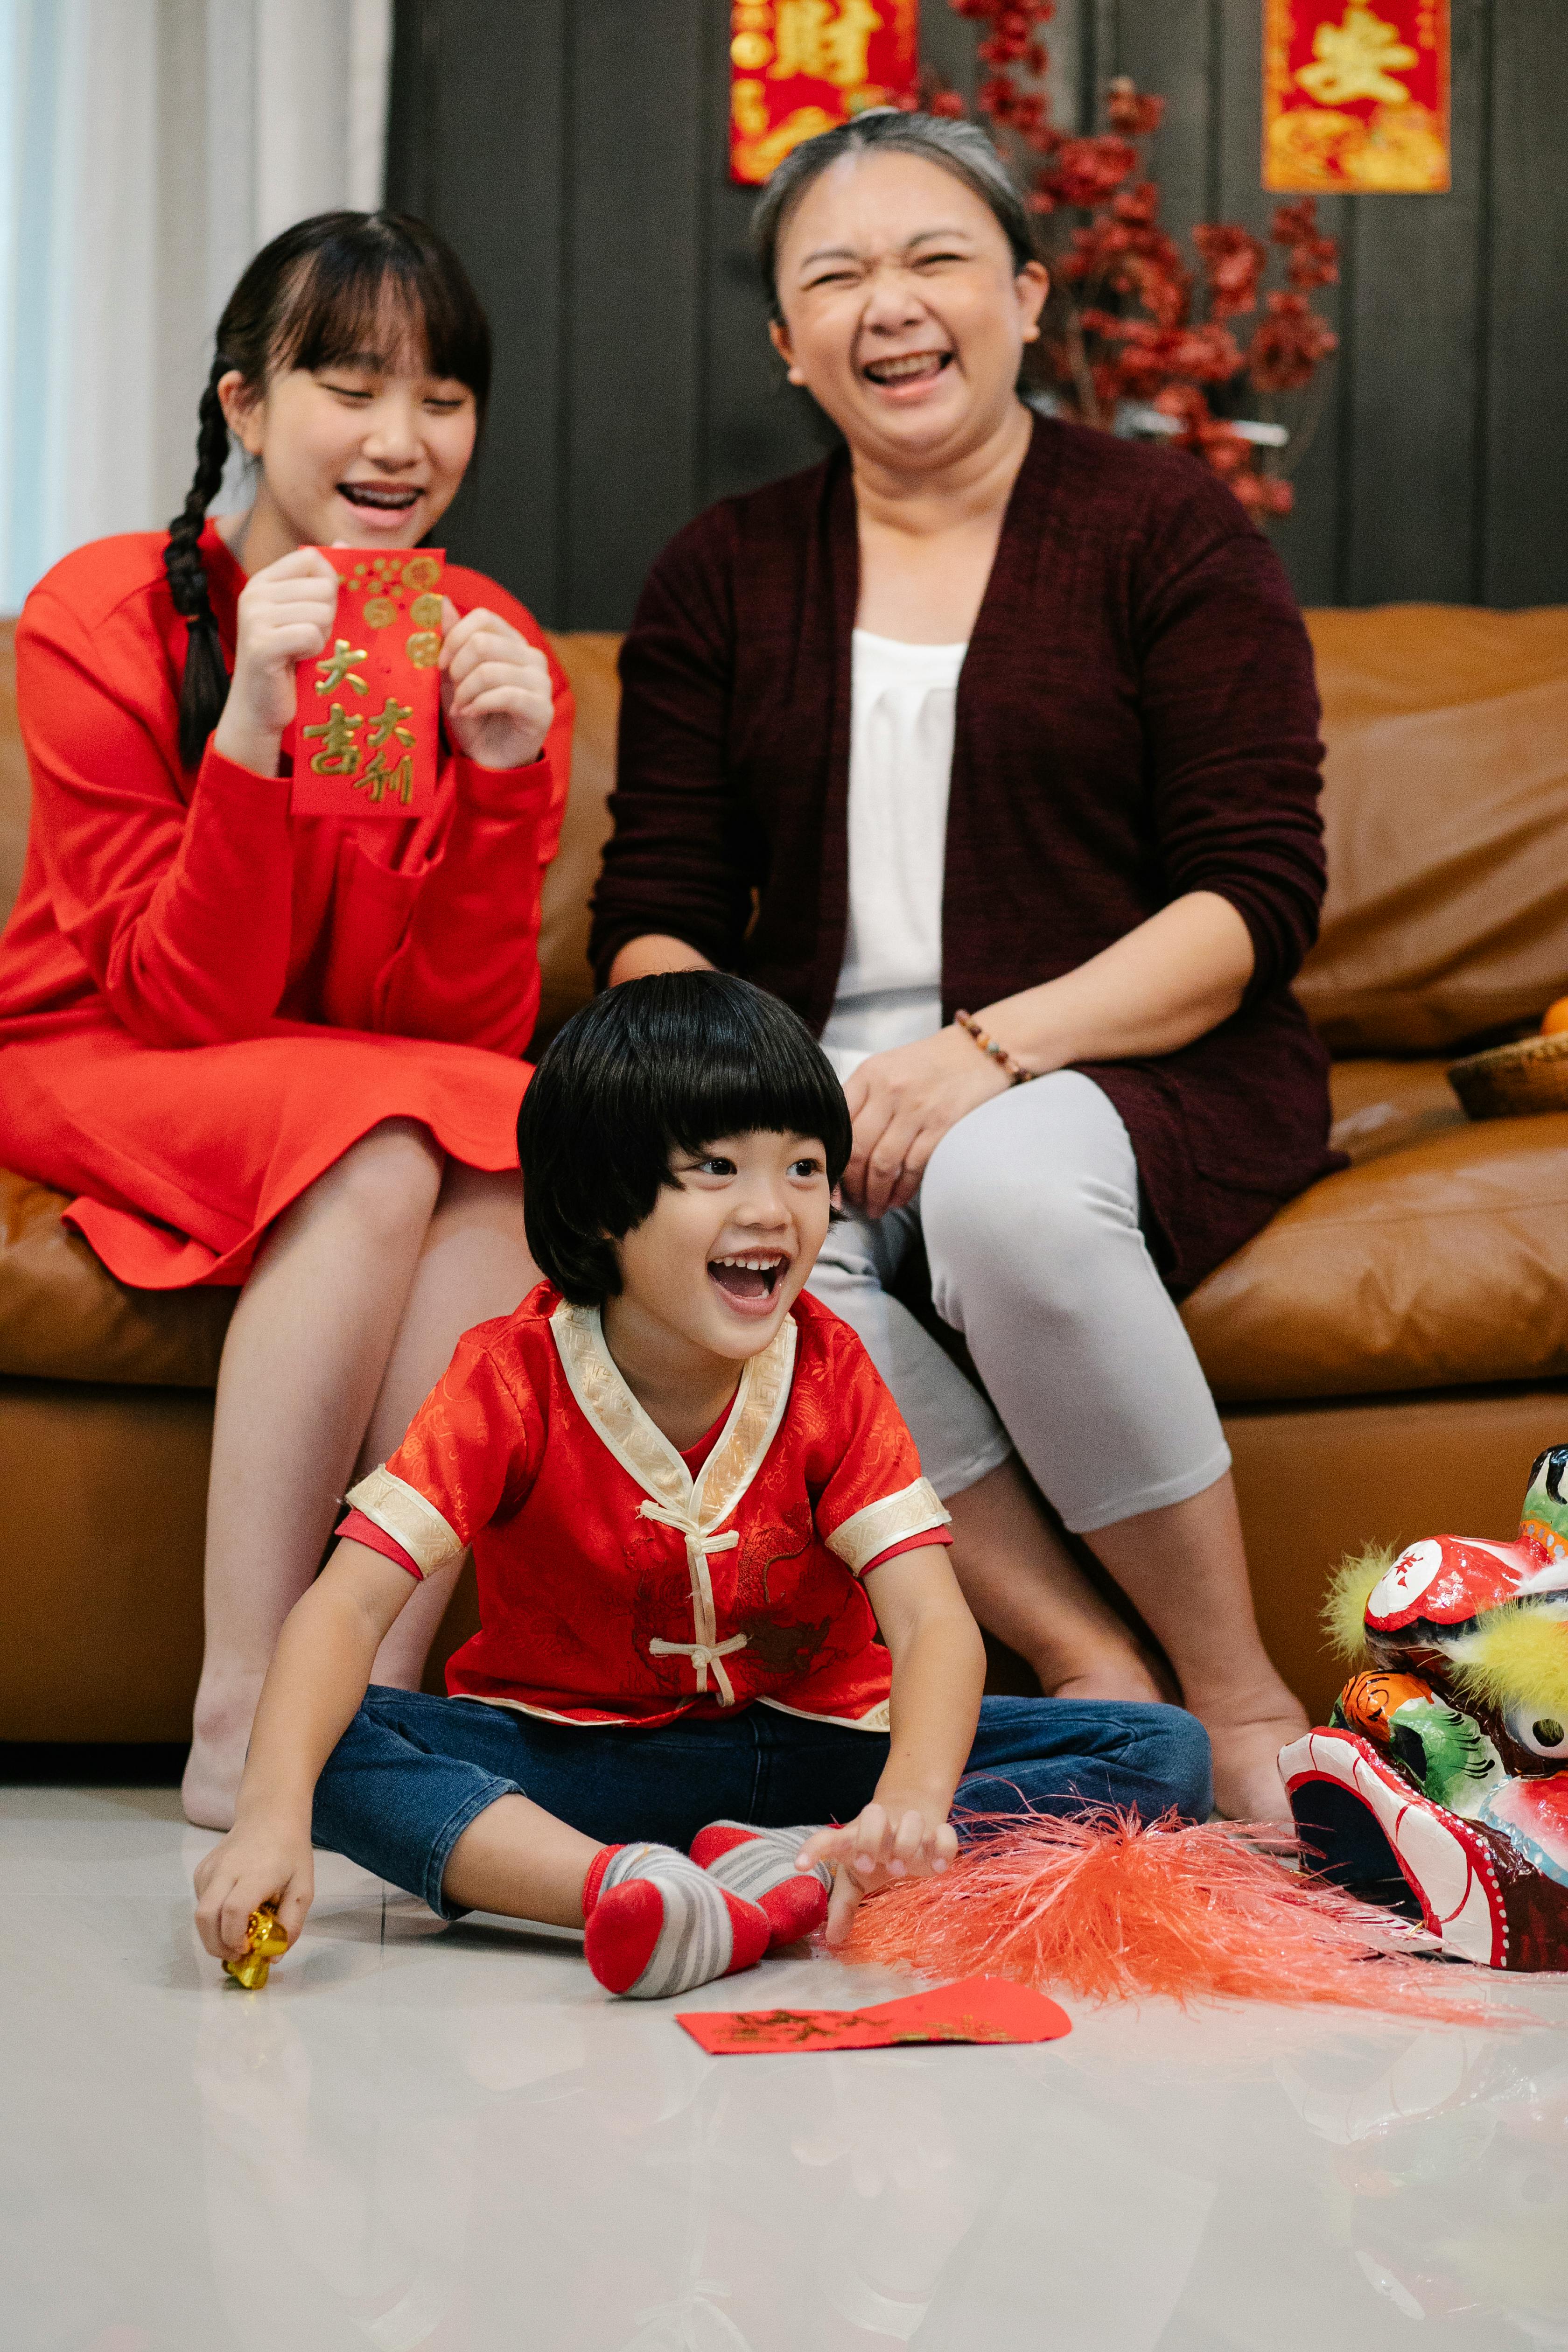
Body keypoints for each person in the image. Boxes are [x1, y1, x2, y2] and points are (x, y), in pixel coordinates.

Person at [590, 111, 1342, 1821]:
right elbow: (652, 907)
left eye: (934, 261)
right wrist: (758, 1100)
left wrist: (988, 1052)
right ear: (787, 344)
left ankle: (1232, 1700)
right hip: (814, 1081)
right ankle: (1091, 1668)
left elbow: (1253, 896)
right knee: (754, 1249)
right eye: (835, 277)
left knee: (1002, 1191)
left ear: (1024, 293)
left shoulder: (1167, 529)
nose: (891, 306)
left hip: (1123, 1057)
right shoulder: (723, 571)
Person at [192, 973, 1211, 1999]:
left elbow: (933, 1625)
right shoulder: (511, 1375)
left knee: (1159, 1749)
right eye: (716, 1168)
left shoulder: (831, 1370)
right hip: (579, 1764)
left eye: (805, 1169)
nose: (771, 1209)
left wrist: (907, 1801)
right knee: (321, 1745)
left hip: (829, 1752)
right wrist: (272, 1818)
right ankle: (618, 1889)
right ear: (600, 1205)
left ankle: (806, 1869)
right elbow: (347, 1604)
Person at [0, 212, 572, 1829]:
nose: (404, 440)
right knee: (389, 1142)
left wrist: (509, 782)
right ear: (246, 406)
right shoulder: (103, 613)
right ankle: (243, 1695)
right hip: (96, 1050)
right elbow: (178, 1004)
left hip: (341, 1076)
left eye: (444, 395)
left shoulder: (489, 647)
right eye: (350, 384)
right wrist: (249, 725)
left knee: (496, 1135)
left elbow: (462, 1024)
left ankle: (373, 1701)